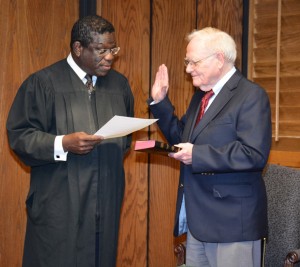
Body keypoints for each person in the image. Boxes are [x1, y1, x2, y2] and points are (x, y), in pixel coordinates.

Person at [6, 15, 134, 267]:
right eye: (101, 50)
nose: (109, 57)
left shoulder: (119, 85)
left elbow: (125, 140)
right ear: (78, 48)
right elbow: (20, 136)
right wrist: (63, 143)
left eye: (113, 49)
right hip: (60, 204)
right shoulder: (43, 83)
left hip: (105, 202)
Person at [149, 27, 271, 267]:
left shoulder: (251, 95)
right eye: (187, 62)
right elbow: (181, 137)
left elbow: (254, 154)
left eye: (193, 62)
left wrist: (197, 155)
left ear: (219, 59)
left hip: (233, 224)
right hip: (199, 220)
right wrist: (160, 103)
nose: (187, 69)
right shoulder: (201, 96)